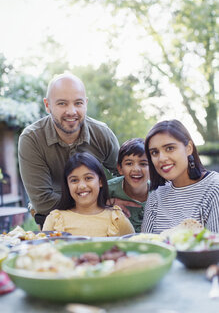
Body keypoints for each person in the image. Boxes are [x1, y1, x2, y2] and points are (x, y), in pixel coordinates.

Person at [18, 73, 120, 228]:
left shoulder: (102, 133)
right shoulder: (32, 139)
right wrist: (94, 202)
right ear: (47, 105)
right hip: (53, 218)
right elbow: (43, 201)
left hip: (100, 217)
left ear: (85, 103)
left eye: (78, 103)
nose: (71, 111)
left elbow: (124, 174)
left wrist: (110, 198)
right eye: (62, 104)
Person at [141, 119, 219, 234]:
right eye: (154, 152)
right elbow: (146, 244)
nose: (161, 158)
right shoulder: (155, 197)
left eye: (170, 148)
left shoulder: (214, 188)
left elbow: (215, 247)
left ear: (189, 148)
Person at [42, 152, 135, 237]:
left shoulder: (116, 218)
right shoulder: (55, 219)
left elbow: (134, 250)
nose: (82, 186)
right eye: (74, 180)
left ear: (100, 181)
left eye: (88, 178)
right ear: (67, 185)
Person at [108, 138, 150, 233]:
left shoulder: (160, 192)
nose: (136, 169)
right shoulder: (107, 190)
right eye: (129, 163)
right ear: (120, 168)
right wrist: (107, 203)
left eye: (143, 163)